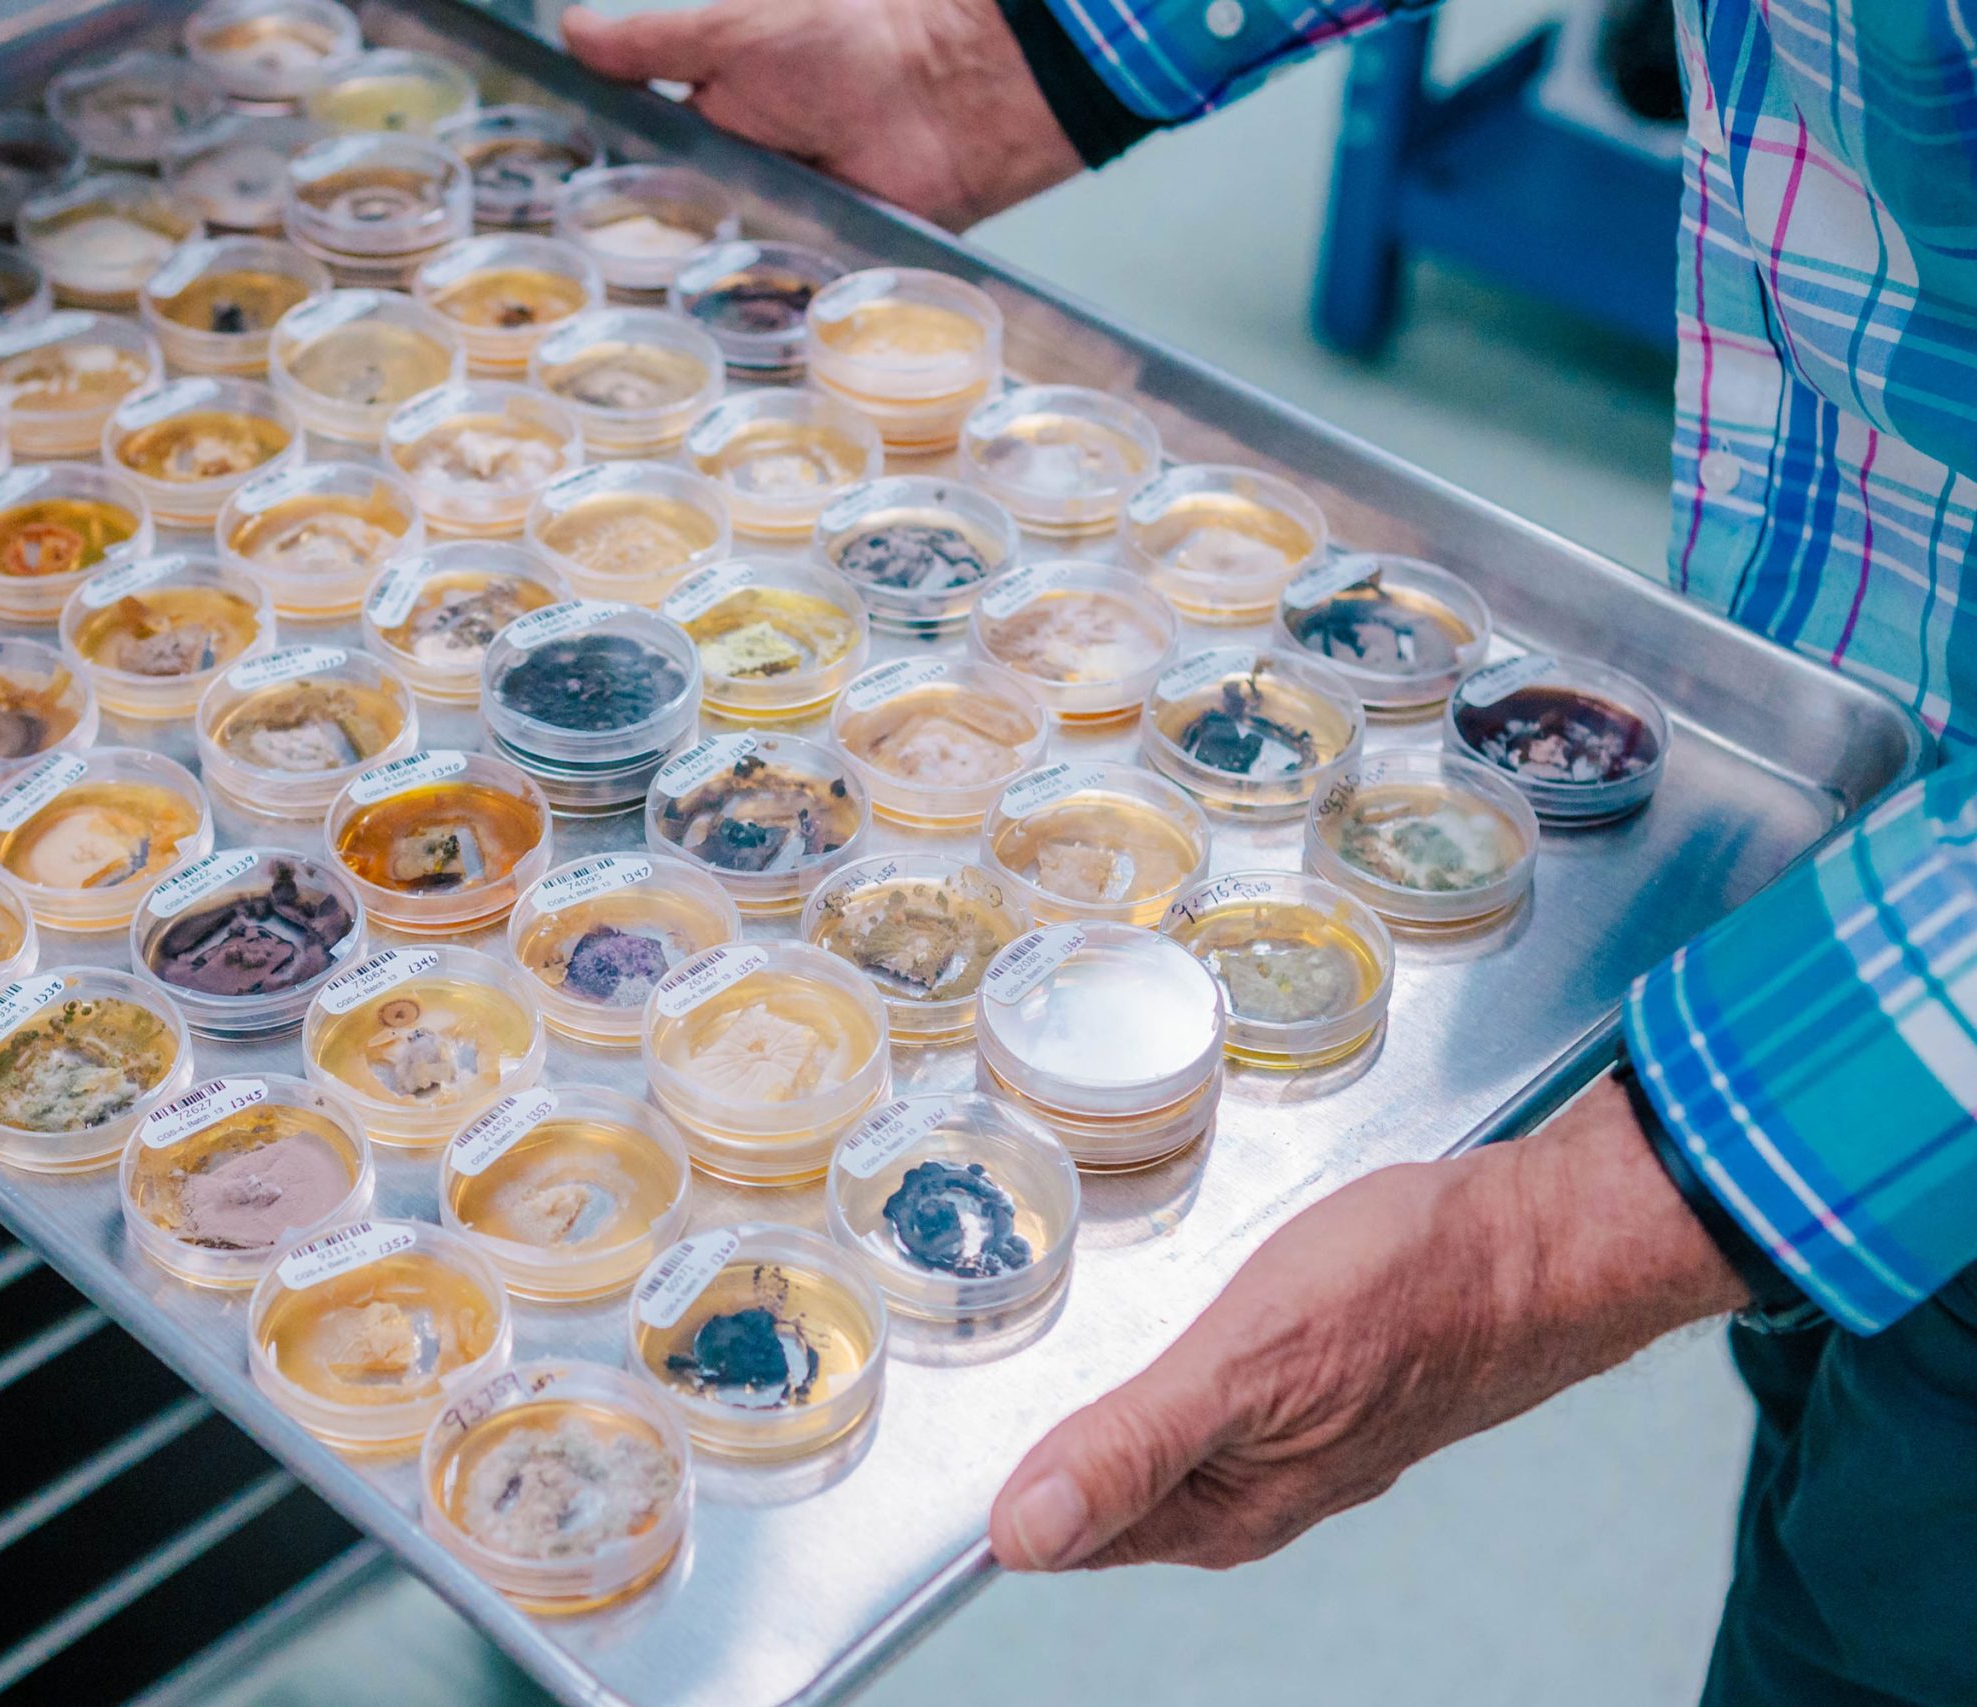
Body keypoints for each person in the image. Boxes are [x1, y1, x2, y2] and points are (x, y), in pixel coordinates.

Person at [561, 4, 1977, 1703]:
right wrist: (1013, 53)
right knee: (1837, 1482)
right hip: (1858, 831)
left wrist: (1557, 1240)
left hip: (1911, 1053)